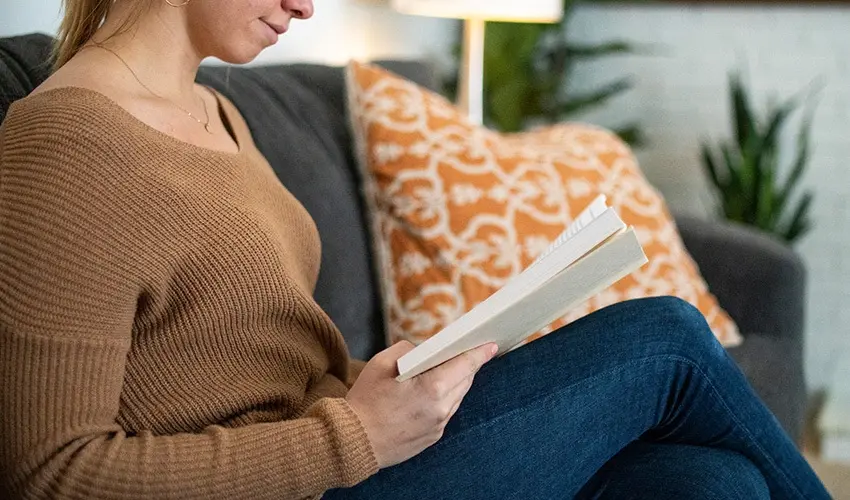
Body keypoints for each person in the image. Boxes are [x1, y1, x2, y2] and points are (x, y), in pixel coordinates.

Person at [0, 1, 830, 499]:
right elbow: (48, 473)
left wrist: (389, 386)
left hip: (357, 452)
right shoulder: (67, 143)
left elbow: (255, 352)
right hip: (321, 477)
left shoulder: (218, 112)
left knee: (715, 485)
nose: (306, 7)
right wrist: (349, 437)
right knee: (665, 340)